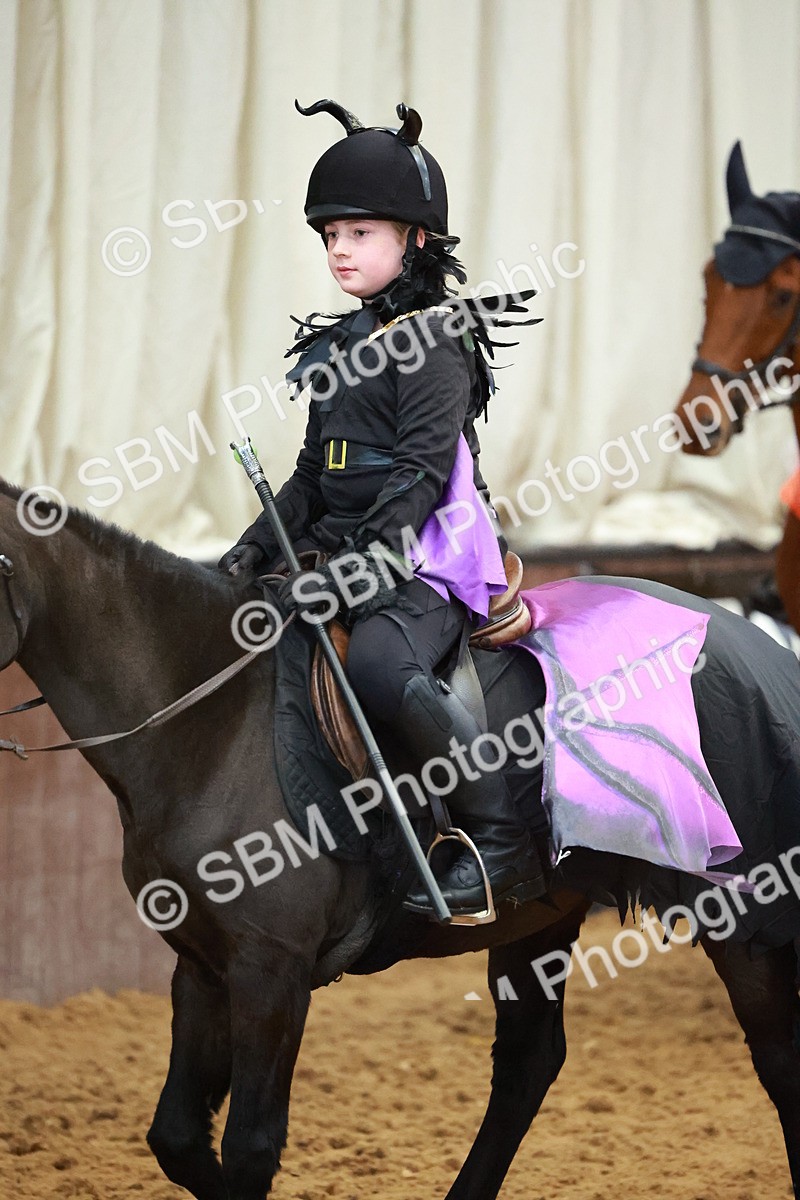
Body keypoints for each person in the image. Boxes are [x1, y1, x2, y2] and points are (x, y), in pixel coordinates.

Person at [220, 98, 544, 915]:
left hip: (424, 562)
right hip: (339, 547)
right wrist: (251, 551)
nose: (339, 251)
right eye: (331, 236)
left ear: (416, 240)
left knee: (377, 663)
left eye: (359, 233)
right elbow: (306, 476)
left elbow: (420, 479)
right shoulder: (337, 346)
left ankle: (497, 843)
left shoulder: (438, 340)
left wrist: (359, 571)